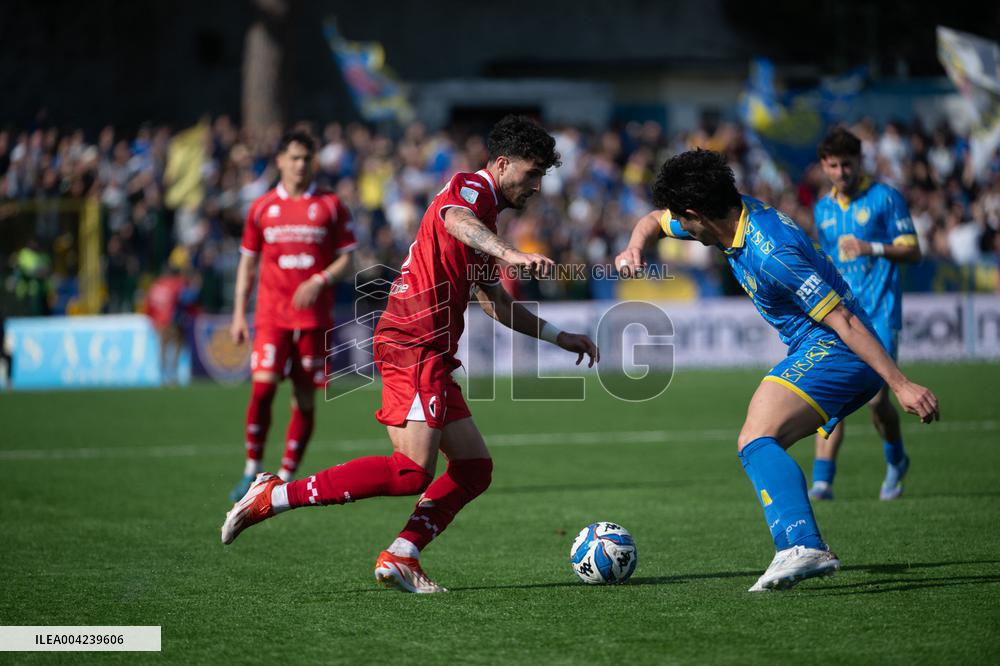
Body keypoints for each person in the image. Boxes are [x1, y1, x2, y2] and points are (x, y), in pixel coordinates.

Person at [222, 116, 599, 593]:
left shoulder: (486, 219)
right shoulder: (471, 191)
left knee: (473, 468)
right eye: (532, 174)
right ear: (502, 165)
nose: (538, 186)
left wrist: (559, 336)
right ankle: (274, 495)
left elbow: (496, 305)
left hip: (433, 353)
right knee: (409, 472)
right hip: (412, 341)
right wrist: (510, 254)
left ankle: (403, 554)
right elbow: (453, 220)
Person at [615, 149, 938, 592]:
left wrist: (900, 383)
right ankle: (797, 544)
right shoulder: (730, 214)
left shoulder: (774, 254)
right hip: (821, 347)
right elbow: (652, 220)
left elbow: (843, 320)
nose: (679, 229)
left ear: (696, 215)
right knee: (760, 447)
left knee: (755, 438)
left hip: (837, 349)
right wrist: (634, 247)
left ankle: (803, 545)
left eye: (682, 221)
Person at [228, 130, 358, 500]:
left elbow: (348, 257)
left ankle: (283, 476)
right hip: (271, 315)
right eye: (294, 158)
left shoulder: (330, 205)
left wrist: (320, 278)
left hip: (313, 319)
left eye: (306, 158)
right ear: (280, 161)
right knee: (263, 387)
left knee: (303, 398)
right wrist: (239, 314)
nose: (300, 165)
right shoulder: (262, 208)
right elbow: (248, 264)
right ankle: (252, 468)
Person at [807, 127, 921, 501]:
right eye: (834, 166)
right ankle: (822, 481)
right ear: (825, 166)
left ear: (860, 162)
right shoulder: (823, 208)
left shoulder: (885, 198)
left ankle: (895, 459)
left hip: (880, 312)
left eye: (847, 165)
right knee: (827, 393)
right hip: (840, 315)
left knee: (876, 400)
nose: (841, 173)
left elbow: (912, 250)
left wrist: (870, 247)